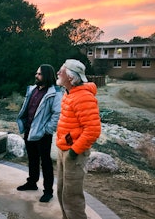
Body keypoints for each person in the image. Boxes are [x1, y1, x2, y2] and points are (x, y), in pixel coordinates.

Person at [55, 59, 101, 219]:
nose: (58, 73)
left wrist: (75, 150)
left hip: (74, 153)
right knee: (62, 191)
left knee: (72, 197)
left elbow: (93, 130)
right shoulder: (68, 94)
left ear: (71, 77)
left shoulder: (83, 97)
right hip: (64, 150)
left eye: (62, 70)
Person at [16, 64, 62, 202]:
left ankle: (48, 191)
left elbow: (57, 113)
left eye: (39, 74)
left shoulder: (54, 92)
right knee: (32, 159)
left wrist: (47, 130)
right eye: (36, 73)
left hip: (43, 134)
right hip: (30, 130)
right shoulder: (33, 90)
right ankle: (32, 182)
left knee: (46, 162)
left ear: (46, 75)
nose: (36, 76)